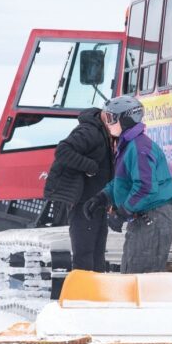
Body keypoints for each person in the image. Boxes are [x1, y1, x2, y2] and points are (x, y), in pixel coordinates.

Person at [83, 96, 172, 273]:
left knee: (139, 277)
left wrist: (123, 212)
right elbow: (123, 182)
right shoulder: (128, 146)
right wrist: (102, 197)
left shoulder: (139, 147)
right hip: (143, 217)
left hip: (153, 218)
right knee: (130, 272)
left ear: (127, 119)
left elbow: (146, 188)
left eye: (111, 118)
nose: (108, 124)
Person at [43, 107, 114, 271]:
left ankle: (95, 293)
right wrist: (89, 167)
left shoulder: (102, 131)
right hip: (83, 200)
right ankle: (83, 294)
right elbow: (63, 150)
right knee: (84, 254)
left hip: (96, 201)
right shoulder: (90, 130)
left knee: (97, 253)